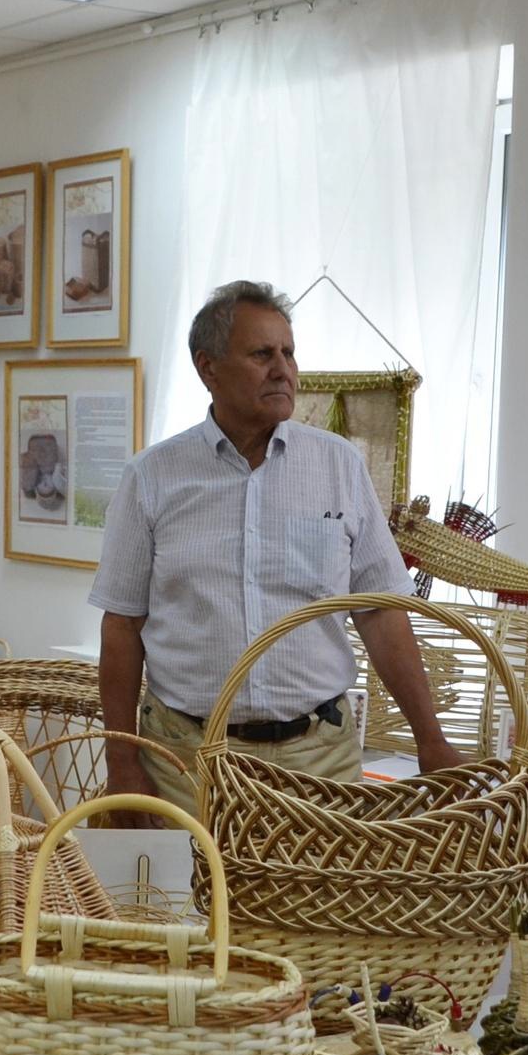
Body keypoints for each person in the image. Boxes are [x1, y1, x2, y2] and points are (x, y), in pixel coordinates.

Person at [91, 280, 461, 809]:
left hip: (320, 761)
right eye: (262, 354)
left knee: (323, 897)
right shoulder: (152, 477)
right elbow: (122, 626)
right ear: (208, 369)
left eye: (288, 352)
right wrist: (121, 762)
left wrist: (431, 738)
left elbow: (381, 612)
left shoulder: (339, 466)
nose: (283, 368)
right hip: (187, 762)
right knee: (192, 896)